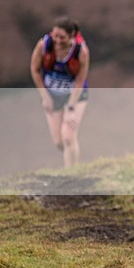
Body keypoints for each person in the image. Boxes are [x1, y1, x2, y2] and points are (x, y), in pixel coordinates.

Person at [30, 16, 90, 168]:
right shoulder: (44, 44)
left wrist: (71, 106)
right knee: (59, 141)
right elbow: (35, 70)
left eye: (61, 37)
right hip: (52, 95)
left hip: (75, 95)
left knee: (68, 136)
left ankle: (71, 175)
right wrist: (44, 96)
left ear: (71, 35)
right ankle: (75, 164)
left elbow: (79, 81)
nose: (57, 40)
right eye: (55, 35)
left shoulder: (81, 51)